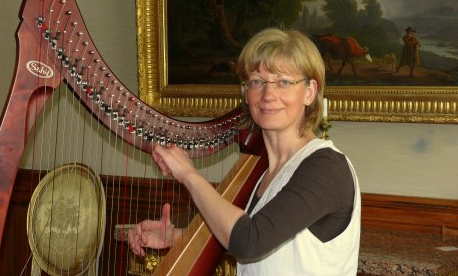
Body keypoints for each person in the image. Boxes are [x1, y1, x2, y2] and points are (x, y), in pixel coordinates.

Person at [128, 28, 361, 275]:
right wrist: (177, 237)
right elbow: (270, 243)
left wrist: (188, 174)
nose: (268, 95)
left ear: (309, 92)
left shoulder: (326, 167)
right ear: (246, 93)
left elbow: (250, 241)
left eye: (284, 82)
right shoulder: (265, 173)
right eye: (257, 82)